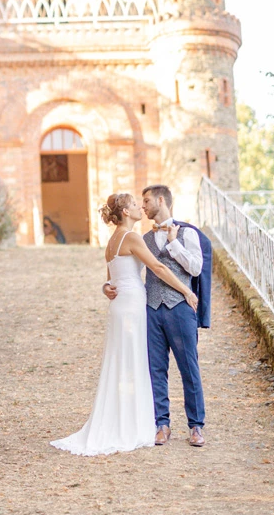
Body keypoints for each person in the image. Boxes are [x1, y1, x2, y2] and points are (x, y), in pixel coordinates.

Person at [52, 193, 198, 457]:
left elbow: (111, 279)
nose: (139, 207)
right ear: (125, 213)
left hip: (119, 306)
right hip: (131, 306)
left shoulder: (111, 241)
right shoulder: (132, 237)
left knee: (122, 363)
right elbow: (157, 268)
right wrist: (186, 291)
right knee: (135, 363)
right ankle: (134, 423)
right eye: (134, 205)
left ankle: (126, 418)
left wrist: (105, 287)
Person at [103, 183, 207, 448]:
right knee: (155, 369)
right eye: (139, 203)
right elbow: (145, 269)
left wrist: (174, 244)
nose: (143, 206)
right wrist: (107, 286)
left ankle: (196, 427)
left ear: (161, 201)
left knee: (189, 368)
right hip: (149, 309)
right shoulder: (141, 238)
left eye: (146, 201)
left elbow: (195, 269)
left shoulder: (188, 233)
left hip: (180, 309)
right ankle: (162, 424)